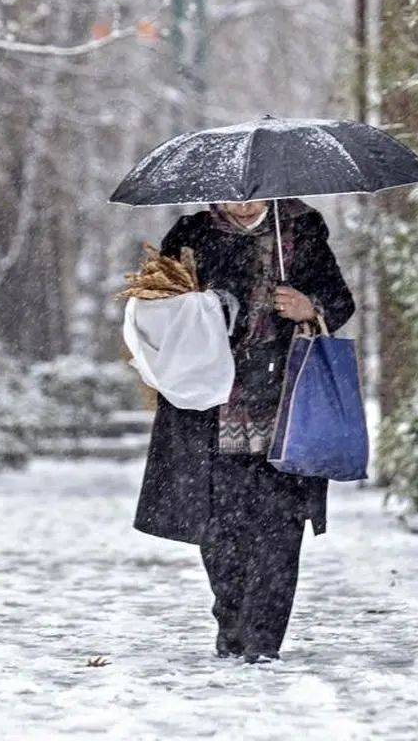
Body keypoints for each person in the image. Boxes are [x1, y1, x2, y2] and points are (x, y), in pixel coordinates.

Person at [133, 197, 355, 664]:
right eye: (230, 194)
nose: (241, 201)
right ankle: (232, 622)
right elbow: (156, 307)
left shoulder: (301, 227)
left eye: (252, 191)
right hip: (211, 408)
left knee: (280, 527)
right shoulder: (192, 234)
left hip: (287, 407)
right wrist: (202, 307)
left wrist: (308, 308)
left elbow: (340, 300)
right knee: (221, 532)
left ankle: (262, 639)